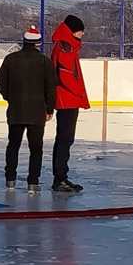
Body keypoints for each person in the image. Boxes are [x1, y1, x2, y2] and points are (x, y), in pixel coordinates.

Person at [0, 26, 57, 193]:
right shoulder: (45, 62)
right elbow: (51, 88)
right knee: (36, 148)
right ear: (38, 43)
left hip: (16, 111)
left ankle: (10, 180)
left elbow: (0, 83)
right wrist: (49, 108)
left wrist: (11, 98)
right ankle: (33, 182)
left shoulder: (10, 59)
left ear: (24, 41)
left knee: (13, 145)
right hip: (37, 111)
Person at [50, 15, 89, 192]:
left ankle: (61, 177)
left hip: (68, 99)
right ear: (73, 30)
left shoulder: (67, 45)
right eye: (81, 30)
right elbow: (65, 75)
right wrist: (79, 93)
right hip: (67, 100)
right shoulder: (66, 46)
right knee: (65, 139)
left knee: (65, 139)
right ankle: (60, 179)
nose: (82, 34)